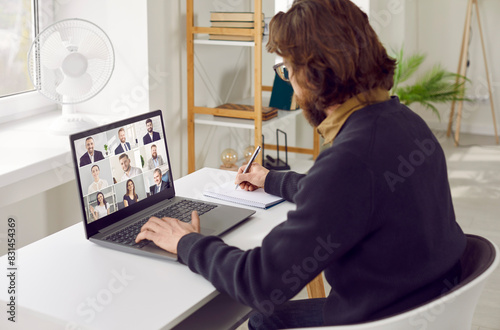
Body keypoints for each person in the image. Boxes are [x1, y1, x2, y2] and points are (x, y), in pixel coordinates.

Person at [135, 1, 466, 329]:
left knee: (263, 317)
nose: (290, 89)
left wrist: (186, 242)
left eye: (287, 72)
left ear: (314, 73)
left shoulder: (351, 159)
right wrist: (271, 179)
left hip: (376, 320)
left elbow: (261, 284)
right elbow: (348, 194)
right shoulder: (405, 123)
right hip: (418, 305)